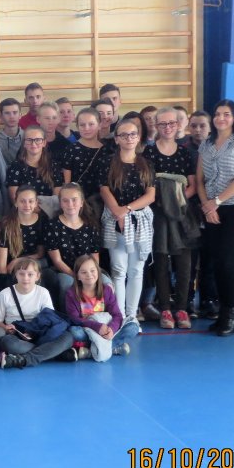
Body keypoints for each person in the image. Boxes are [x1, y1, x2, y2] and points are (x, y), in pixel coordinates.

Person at [196, 99, 234, 336]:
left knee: (228, 260)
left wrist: (217, 201)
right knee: (216, 261)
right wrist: (207, 207)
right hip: (212, 210)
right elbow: (200, 180)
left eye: (226, 114)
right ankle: (221, 312)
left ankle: (230, 314)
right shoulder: (206, 144)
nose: (221, 118)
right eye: (217, 113)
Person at [143, 108, 197, 329]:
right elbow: (146, 185)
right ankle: (165, 307)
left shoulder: (185, 153)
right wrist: (163, 201)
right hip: (158, 214)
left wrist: (176, 201)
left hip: (182, 213)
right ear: (156, 126)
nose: (167, 128)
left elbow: (193, 186)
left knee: (184, 262)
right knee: (161, 261)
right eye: (162, 124)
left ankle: (182, 308)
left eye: (171, 123)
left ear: (178, 125)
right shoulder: (148, 153)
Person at [99, 119, 155, 331]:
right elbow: (104, 189)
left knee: (136, 270)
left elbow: (150, 195)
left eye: (133, 134)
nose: (129, 138)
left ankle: (132, 316)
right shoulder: (108, 162)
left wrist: (128, 210)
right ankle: (119, 317)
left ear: (138, 137)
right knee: (118, 270)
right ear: (116, 139)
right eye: (124, 135)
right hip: (115, 222)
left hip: (139, 222)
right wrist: (117, 211)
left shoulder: (146, 164)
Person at [0, 257, 74, 367]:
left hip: (40, 333)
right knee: (8, 343)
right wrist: (6, 328)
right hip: (17, 335)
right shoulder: (5, 294)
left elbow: (49, 318)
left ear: (37, 276)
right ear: (16, 275)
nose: (25, 278)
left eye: (30, 274)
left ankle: (26, 359)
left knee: (68, 337)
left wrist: (32, 332)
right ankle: (52, 352)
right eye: (21, 274)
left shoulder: (43, 292)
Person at [45, 182, 104, 309]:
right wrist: (76, 276)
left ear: (81, 202)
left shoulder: (91, 224)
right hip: (64, 270)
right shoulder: (52, 225)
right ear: (60, 203)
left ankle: (96, 314)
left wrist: (90, 273)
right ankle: (67, 316)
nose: (70, 204)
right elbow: (57, 260)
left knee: (107, 283)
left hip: (88, 269)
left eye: (74, 200)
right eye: (65, 201)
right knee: (67, 285)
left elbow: (95, 255)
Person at [64, 254, 132, 361]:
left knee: (132, 327)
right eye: (84, 272)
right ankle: (112, 348)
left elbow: (117, 315)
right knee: (75, 332)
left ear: (98, 272)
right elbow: (75, 319)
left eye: (92, 270)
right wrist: (97, 327)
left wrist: (112, 329)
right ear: (77, 276)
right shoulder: (71, 294)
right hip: (88, 329)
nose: (89, 275)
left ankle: (89, 352)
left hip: (106, 329)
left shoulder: (107, 290)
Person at [184, 110, 216, 318]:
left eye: (202, 125)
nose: (197, 130)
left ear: (210, 127)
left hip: (213, 209)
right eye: (194, 125)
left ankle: (208, 300)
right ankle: (186, 300)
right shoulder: (183, 150)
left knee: (210, 258)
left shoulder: (216, 148)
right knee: (189, 259)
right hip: (189, 211)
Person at [0, 186, 51, 295]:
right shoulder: (7, 224)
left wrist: (18, 260)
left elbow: (40, 253)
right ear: (16, 202)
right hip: (13, 268)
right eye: (22, 201)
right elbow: (1, 265)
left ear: (36, 203)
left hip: (36, 262)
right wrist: (5, 285)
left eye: (30, 201)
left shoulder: (42, 220)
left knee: (34, 272)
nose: (27, 205)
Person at [62, 107, 111, 210]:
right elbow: (67, 183)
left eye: (91, 124)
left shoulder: (107, 151)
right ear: (77, 127)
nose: (86, 128)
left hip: (102, 202)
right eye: (82, 125)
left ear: (99, 125)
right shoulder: (71, 149)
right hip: (77, 203)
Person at [6, 124, 61, 203]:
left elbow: (56, 197)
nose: (33, 144)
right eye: (29, 140)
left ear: (44, 143)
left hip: (49, 209)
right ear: (24, 143)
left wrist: (42, 207)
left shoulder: (53, 165)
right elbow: (14, 198)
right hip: (24, 209)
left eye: (38, 140)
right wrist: (31, 207)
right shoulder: (15, 166)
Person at [38, 101, 72, 167]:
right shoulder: (30, 141)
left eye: (54, 118)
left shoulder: (66, 145)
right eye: (47, 118)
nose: (51, 122)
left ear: (58, 119)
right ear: (38, 119)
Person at [0, 97, 24, 163]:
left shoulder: (28, 138)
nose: (11, 116)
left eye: (15, 112)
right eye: (7, 113)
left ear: (20, 115)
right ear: (1, 117)